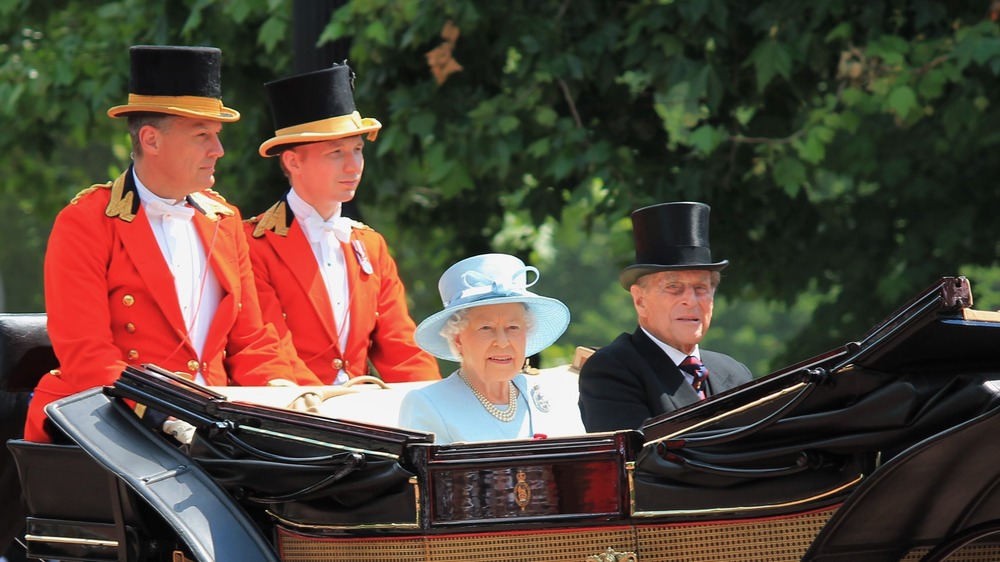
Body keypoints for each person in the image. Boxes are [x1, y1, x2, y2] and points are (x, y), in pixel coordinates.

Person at [24, 45, 302, 443]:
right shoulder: (86, 221)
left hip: (216, 430)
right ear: (151, 139)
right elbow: (87, 356)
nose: (218, 151)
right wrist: (166, 415)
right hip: (117, 424)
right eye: (202, 135)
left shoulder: (224, 220)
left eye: (217, 136)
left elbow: (252, 341)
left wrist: (281, 396)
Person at [245, 62, 439, 385]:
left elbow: (403, 349)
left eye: (358, 150)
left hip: (361, 419)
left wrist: (434, 407)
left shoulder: (370, 246)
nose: (353, 166)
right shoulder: (254, 245)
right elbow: (270, 349)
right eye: (336, 152)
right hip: (294, 415)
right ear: (293, 161)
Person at [578, 202, 753, 432]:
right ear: (640, 300)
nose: (690, 300)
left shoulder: (734, 373)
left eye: (701, 287)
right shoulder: (612, 371)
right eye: (674, 287)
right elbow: (644, 462)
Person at [397, 253, 583, 443]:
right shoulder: (428, 404)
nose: (502, 342)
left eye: (513, 327)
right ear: (458, 339)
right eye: (486, 328)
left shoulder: (557, 397)